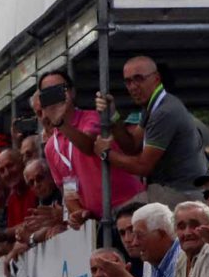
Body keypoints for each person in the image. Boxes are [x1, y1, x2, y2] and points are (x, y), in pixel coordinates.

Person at [93, 56, 208, 207]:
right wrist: (113, 117)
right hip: (170, 190)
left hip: (181, 194)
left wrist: (106, 154)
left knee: (118, 216)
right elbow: (132, 146)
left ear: (156, 78)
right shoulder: (153, 105)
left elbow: (143, 166)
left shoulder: (164, 112)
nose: (133, 86)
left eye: (139, 79)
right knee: (119, 215)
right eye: (128, 81)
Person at [37, 70, 143, 226]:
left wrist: (60, 124)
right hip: (99, 220)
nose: (55, 95)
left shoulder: (92, 117)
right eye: (48, 92)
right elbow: (68, 186)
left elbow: (88, 146)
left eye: (60, 89)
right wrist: (77, 211)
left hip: (129, 204)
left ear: (72, 93)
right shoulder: (51, 146)